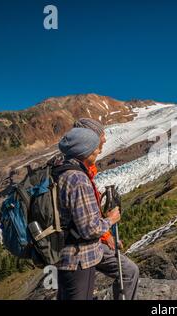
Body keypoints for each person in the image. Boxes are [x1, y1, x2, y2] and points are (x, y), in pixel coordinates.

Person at [73, 118, 139, 300]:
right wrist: (109, 221)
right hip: (79, 249)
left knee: (129, 271)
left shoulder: (84, 170)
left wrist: (106, 236)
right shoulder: (76, 176)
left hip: (86, 243)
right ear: (88, 139)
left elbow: (86, 216)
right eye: (100, 136)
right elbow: (86, 224)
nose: (104, 140)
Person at [56, 127, 120, 300]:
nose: (98, 150)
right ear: (84, 151)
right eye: (94, 147)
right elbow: (90, 229)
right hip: (79, 259)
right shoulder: (78, 179)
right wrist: (111, 220)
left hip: (64, 256)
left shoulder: (60, 171)